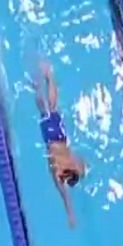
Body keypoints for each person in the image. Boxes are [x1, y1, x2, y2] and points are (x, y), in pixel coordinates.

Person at [35, 60, 87, 228]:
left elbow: (66, 196)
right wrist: (70, 214)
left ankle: (48, 76)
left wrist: (70, 214)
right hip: (51, 138)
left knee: (51, 107)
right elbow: (65, 196)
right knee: (47, 107)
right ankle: (47, 75)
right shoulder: (57, 173)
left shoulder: (68, 163)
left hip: (61, 137)